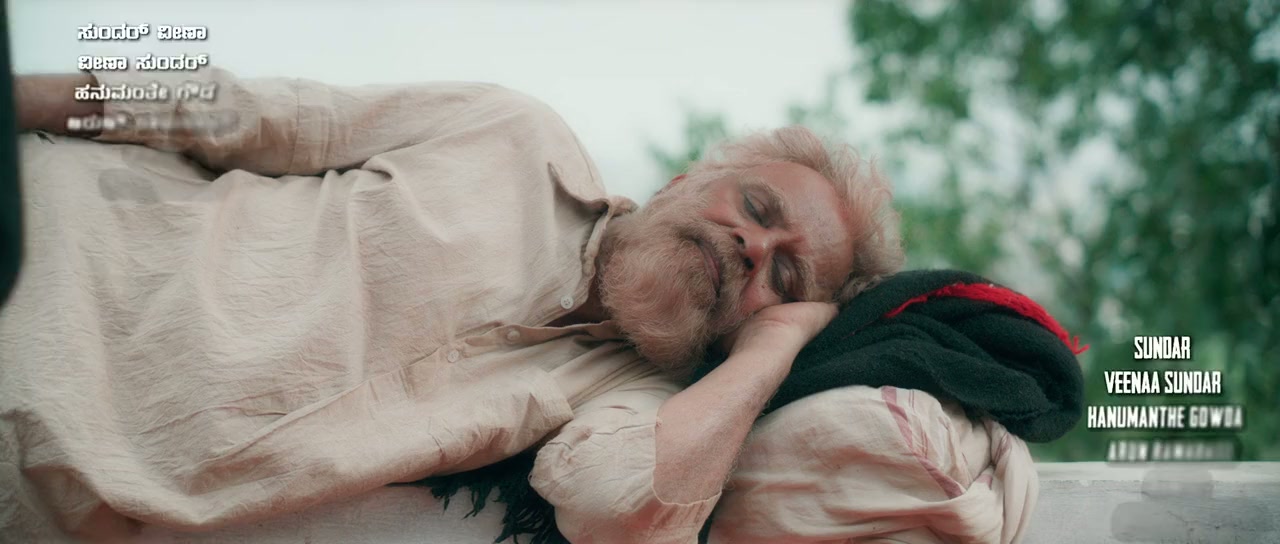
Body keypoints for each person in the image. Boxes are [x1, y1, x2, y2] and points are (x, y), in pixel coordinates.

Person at [0, 68, 903, 543]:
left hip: (36, 476)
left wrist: (773, 349)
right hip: (42, 224)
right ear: (684, 181)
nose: (754, 249)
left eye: (787, 277)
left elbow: (621, 511)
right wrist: (19, 93)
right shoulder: (513, 131)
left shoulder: (628, 403)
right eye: (756, 209)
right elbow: (242, 109)